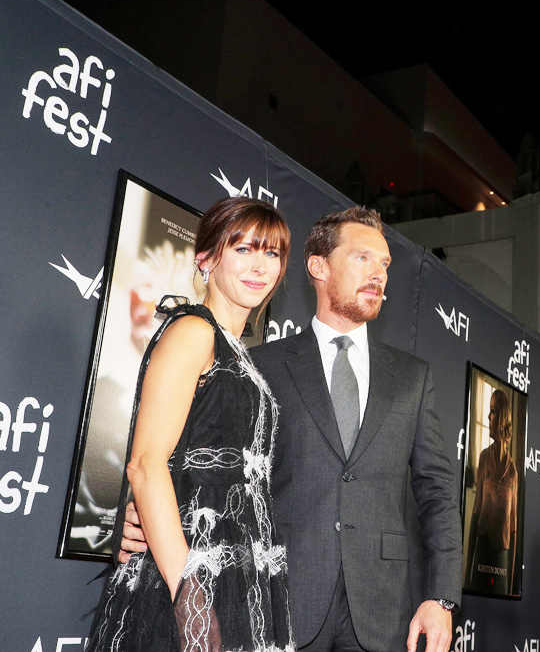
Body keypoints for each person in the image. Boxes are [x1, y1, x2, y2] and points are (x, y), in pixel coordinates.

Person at [121, 206, 463, 652]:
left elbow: (438, 490)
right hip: (276, 596)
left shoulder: (412, 377)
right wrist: (136, 519)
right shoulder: (260, 366)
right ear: (317, 266)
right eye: (362, 258)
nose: (378, 273)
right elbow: (176, 461)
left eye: (384, 263)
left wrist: (442, 597)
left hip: (382, 608)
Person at [86, 197, 294, 652]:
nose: (260, 265)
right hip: (188, 572)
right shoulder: (195, 332)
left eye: (272, 253)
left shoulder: (237, 351)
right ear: (206, 259)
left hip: (232, 571)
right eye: (243, 249)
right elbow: (145, 464)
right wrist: (190, 597)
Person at [465, 388, 519, 594]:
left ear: (503, 416)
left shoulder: (512, 472)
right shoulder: (484, 458)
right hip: (482, 550)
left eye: (493, 411)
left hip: (501, 558)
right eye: (489, 410)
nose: (489, 417)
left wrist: (511, 587)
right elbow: (476, 513)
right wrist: (468, 576)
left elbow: (513, 529)